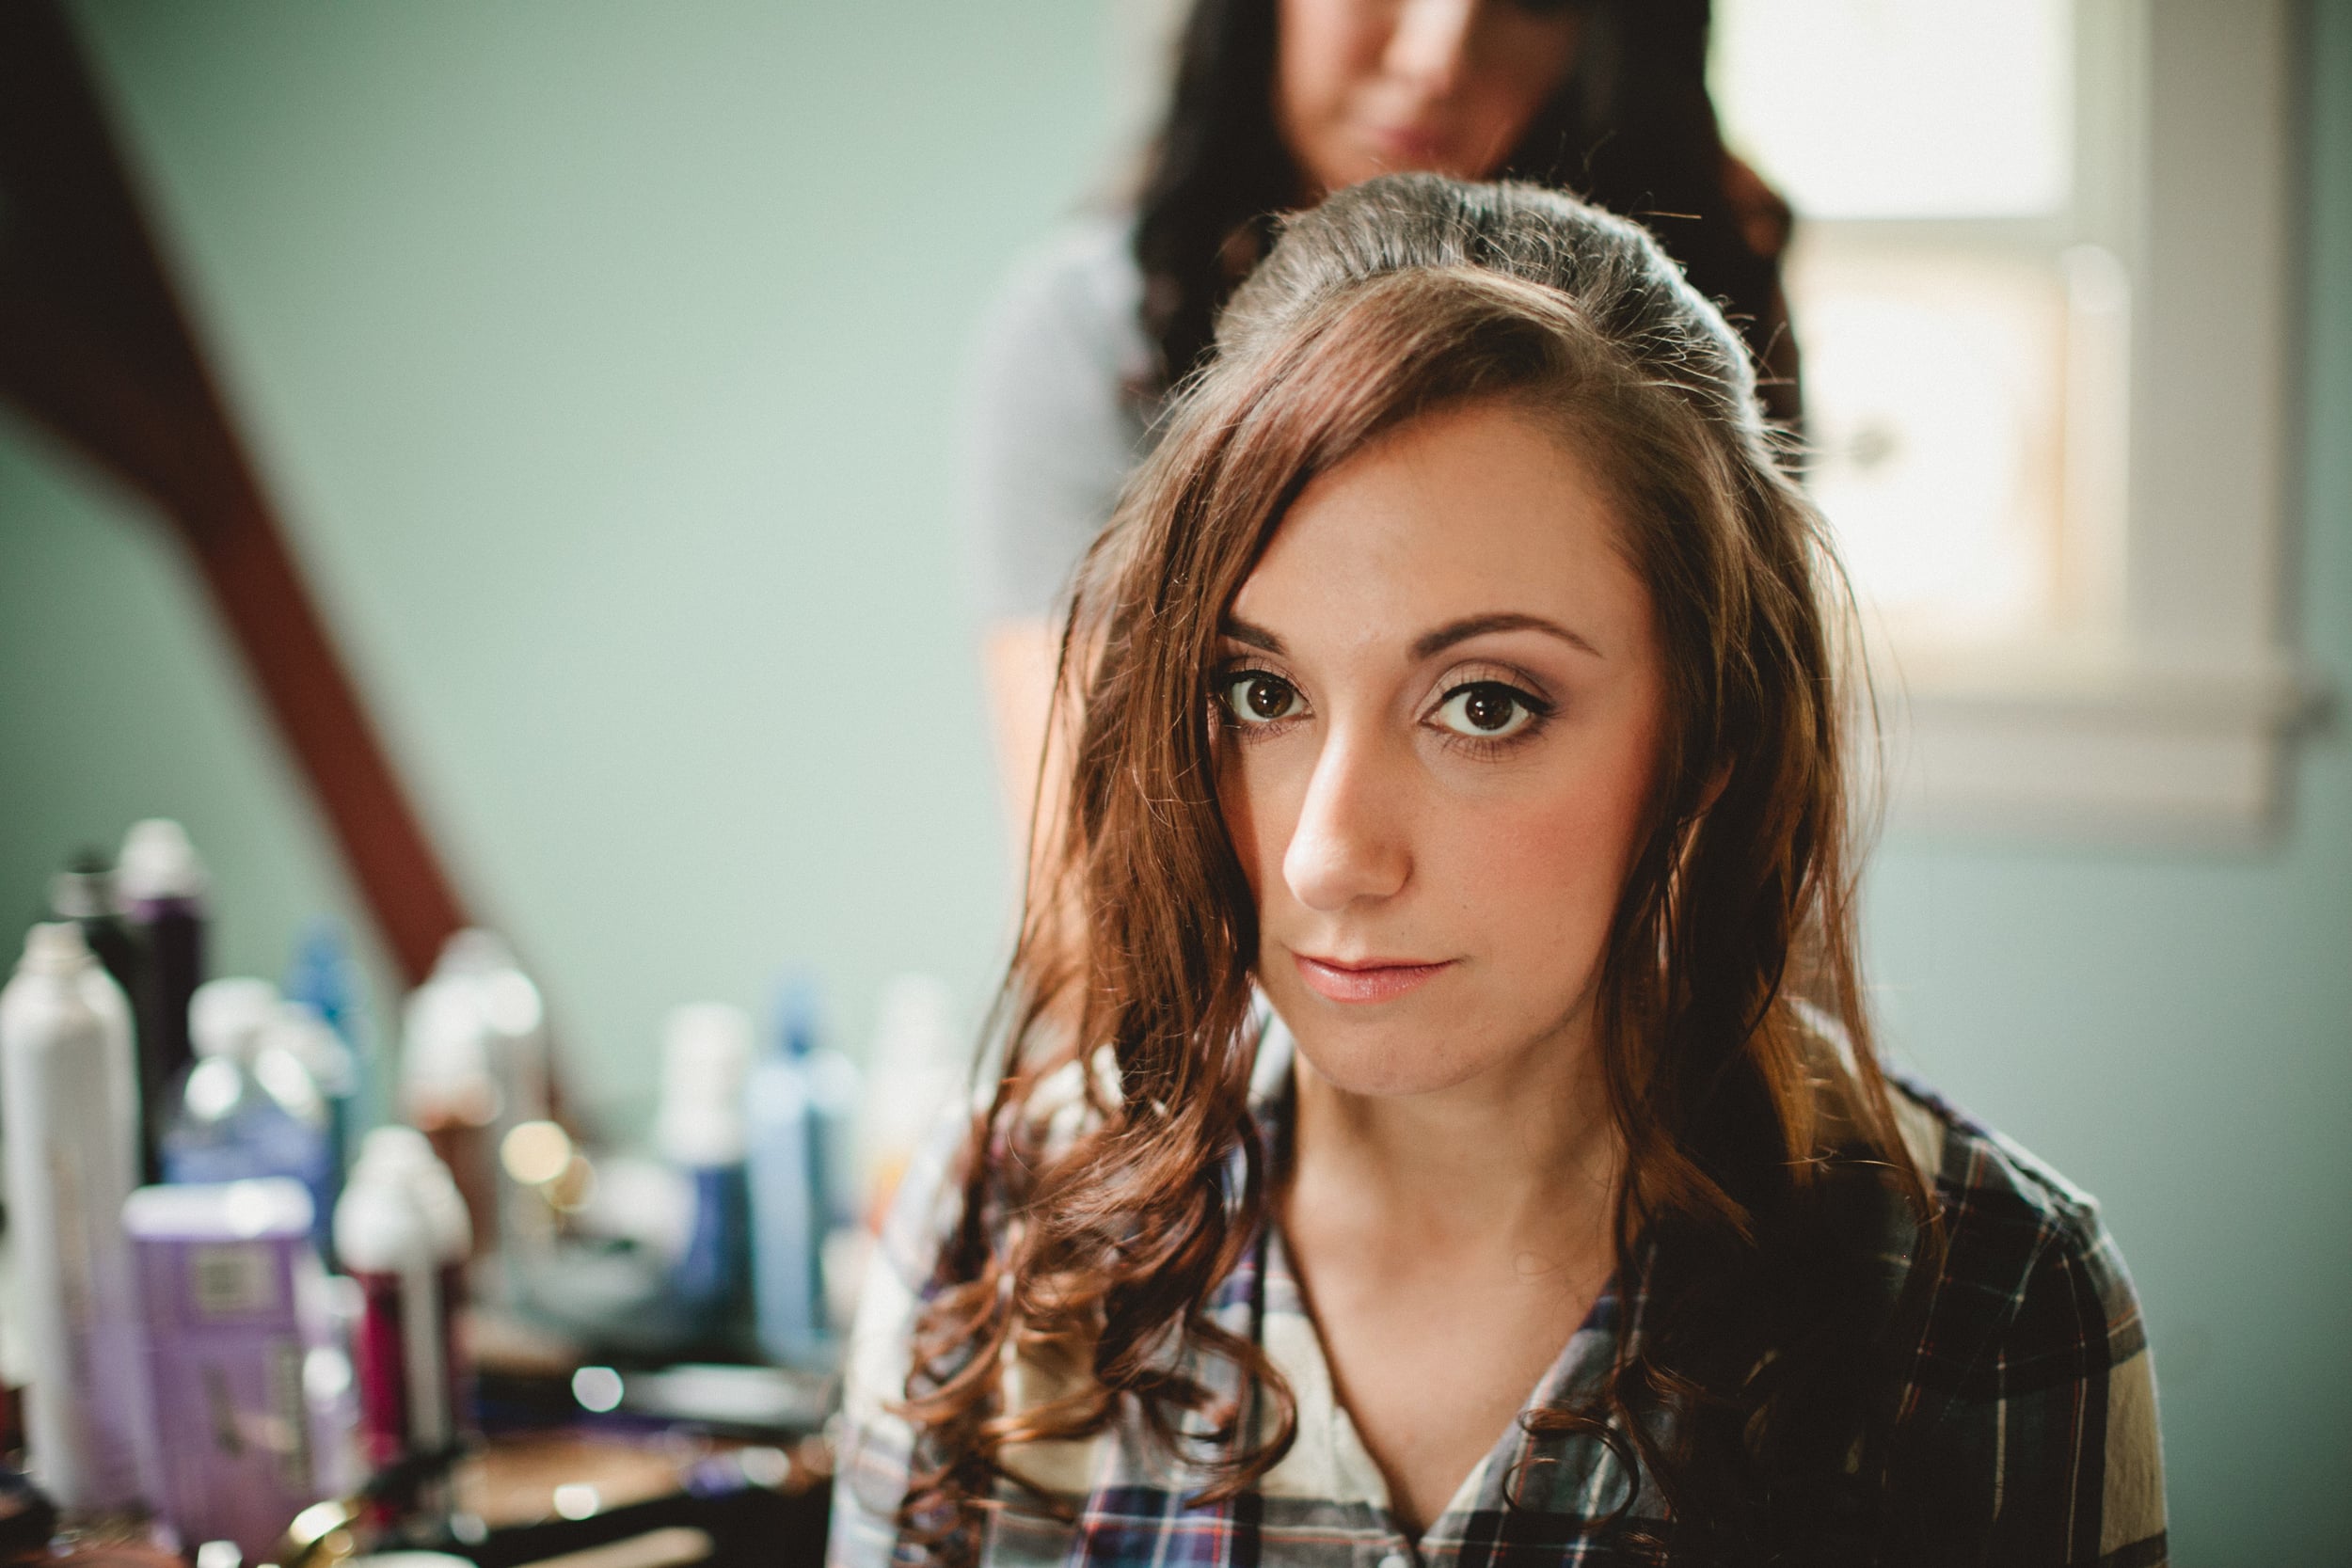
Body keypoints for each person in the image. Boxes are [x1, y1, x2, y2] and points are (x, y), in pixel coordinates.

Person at [834, 176, 2166, 1566]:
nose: (1328, 853)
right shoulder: (1012, 1221)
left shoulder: (1985, 1302)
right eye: (1259, 690)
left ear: (1710, 737)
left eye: (1485, 703)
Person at [968, 0, 1800, 835]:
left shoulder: (1702, 336)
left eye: (1529, 4)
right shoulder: (1097, 338)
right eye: (1262, 695)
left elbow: (1737, 853)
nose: (1435, 58)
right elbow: (1081, 884)